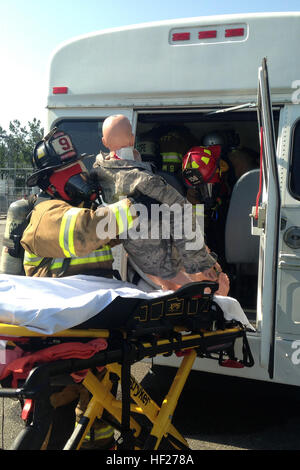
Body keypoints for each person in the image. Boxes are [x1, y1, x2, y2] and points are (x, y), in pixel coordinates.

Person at [21, 127, 140, 449]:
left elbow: (109, 230)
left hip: (88, 333)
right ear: (49, 183)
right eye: (66, 172)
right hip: (57, 338)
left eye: (78, 167)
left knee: (96, 417)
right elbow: (86, 230)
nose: (78, 175)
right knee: (50, 425)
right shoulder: (47, 215)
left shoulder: (78, 211)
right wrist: (131, 206)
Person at [93, 114, 229, 294]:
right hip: (159, 265)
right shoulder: (145, 180)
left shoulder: (97, 174)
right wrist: (202, 262)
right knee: (219, 286)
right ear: (132, 138)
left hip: (136, 264)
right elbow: (181, 211)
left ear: (103, 141)